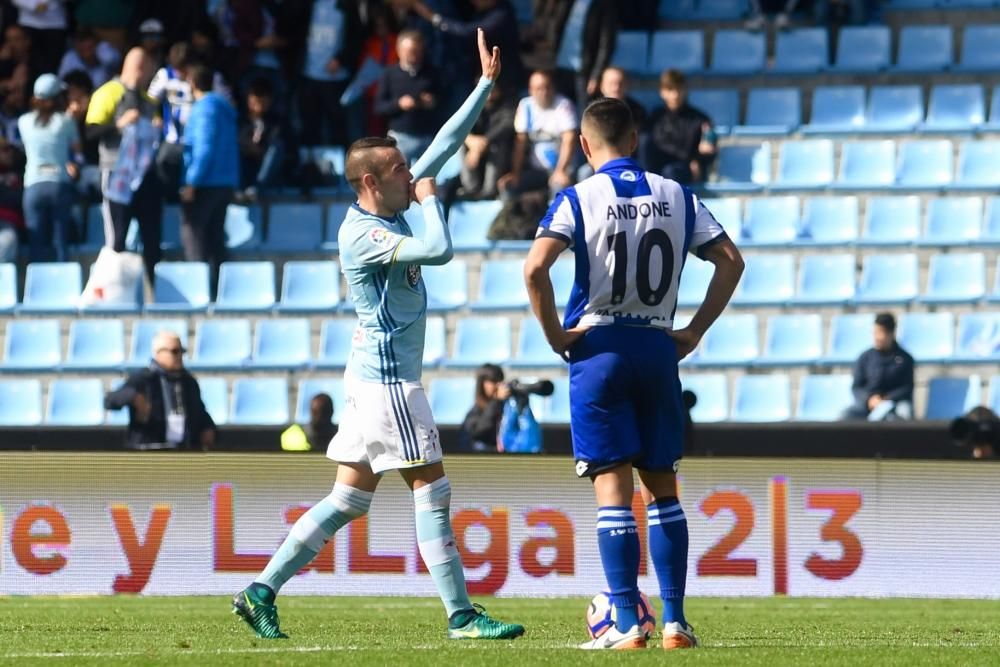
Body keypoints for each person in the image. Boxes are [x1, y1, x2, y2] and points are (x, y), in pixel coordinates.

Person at [231, 29, 524, 643]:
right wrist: (431, 199)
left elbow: (445, 141)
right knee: (433, 488)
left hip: (371, 377)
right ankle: (463, 617)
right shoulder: (363, 233)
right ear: (371, 182)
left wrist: (483, 88)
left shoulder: (384, 205)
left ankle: (260, 590)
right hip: (389, 380)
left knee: (348, 501)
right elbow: (439, 249)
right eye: (399, 170)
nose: (409, 173)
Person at [523, 97, 744, 650]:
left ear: (582, 144)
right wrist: (693, 331)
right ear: (636, 139)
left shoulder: (577, 198)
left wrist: (554, 334)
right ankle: (674, 622)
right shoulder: (677, 195)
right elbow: (732, 261)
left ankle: (625, 622)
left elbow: (534, 269)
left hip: (598, 349)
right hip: (655, 347)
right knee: (663, 492)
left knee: (613, 493)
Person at [85, 47, 163, 284]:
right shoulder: (108, 92)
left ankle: (154, 292)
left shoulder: (150, 101)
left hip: (145, 175)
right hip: (117, 174)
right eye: (149, 69)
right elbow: (90, 131)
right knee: (117, 237)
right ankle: (113, 292)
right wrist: (119, 124)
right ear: (140, 68)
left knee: (152, 236)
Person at [104, 330, 217, 451]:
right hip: (150, 450)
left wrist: (208, 428)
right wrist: (134, 397)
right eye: (174, 351)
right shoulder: (143, 379)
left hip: (184, 450)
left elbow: (200, 411)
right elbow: (110, 401)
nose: (179, 356)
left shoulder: (189, 382)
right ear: (158, 353)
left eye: (181, 351)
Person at [180, 63, 238, 294]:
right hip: (224, 181)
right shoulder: (225, 109)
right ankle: (220, 291)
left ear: (192, 83)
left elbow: (204, 148)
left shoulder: (204, 109)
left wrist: (192, 181)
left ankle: (199, 291)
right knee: (215, 239)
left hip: (205, 183)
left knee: (194, 236)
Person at [18, 73, 82, 262]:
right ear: (57, 98)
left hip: (33, 186)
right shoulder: (66, 121)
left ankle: (38, 287)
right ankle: (64, 285)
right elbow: (78, 152)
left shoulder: (24, 121)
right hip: (59, 184)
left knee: (36, 242)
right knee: (60, 240)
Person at [498, 70, 577, 200]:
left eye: (547, 87)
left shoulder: (564, 105)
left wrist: (560, 171)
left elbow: (569, 140)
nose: (543, 92)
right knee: (507, 186)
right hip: (535, 170)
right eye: (538, 88)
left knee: (559, 191)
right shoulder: (525, 106)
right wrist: (515, 173)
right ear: (531, 90)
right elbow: (520, 142)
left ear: (553, 88)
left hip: (561, 169)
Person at [373, 30, 442, 164]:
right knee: (400, 177)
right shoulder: (389, 74)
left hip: (428, 135)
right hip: (400, 136)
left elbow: (445, 102)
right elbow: (379, 107)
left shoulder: (432, 73)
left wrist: (432, 102)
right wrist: (399, 104)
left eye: (417, 51)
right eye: (410, 51)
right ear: (399, 51)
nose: (414, 55)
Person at [646, 69, 714, 186]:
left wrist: (701, 157)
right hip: (657, 168)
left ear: (685, 90)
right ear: (662, 92)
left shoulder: (699, 119)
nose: (675, 95)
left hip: (682, 170)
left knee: (671, 172)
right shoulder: (655, 117)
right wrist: (691, 157)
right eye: (670, 89)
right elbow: (655, 144)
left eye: (679, 89)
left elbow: (708, 149)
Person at [843, 312, 915, 421]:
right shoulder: (865, 357)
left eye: (881, 332)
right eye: (875, 332)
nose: (877, 337)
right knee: (846, 415)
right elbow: (857, 387)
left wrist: (887, 399)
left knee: (904, 414)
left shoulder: (905, 358)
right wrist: (869, 399)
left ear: (891, 333)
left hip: (895, 403)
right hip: (868, 404)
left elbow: (907, 388)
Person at [553, 0, 617, 110]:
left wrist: (596, 75)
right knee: (561, 111)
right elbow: (558, 28)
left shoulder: (604, 5)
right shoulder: (569, 2)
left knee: (585, 112)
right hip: (562, 65)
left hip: (584, 71)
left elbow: (606, 45)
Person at [238, 76, 288, 196]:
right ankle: (240, 188)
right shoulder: (240, 120)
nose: (258, 107)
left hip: (265, 170)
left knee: (276, 147)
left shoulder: (276, 121)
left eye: (262, 103)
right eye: (255, 102)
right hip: (244, 166)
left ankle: (255, 189)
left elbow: (279, 146)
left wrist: (260, 149)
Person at [461, 363, 511, 451]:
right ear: (482, 384)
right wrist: (496, 401)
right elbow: (479, 432)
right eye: (494, 381)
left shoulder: (507, 406)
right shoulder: (475, 412)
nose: (498, 386)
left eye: (500, 381)